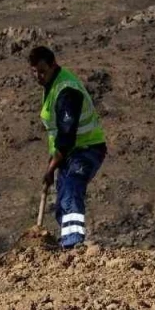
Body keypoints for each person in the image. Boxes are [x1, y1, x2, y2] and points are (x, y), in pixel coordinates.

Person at [29, 46, 107, 248]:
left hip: (86, 148)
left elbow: (67, 136)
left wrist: (51, 168)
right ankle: (66, 243)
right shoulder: (51, 85)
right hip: (67, 153)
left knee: (72, 187)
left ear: (53, 65)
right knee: (62, 200)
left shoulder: (66, 91)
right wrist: (52, 162)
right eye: (34, 72)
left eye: (42, 71)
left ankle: (73, 245)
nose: (38, 76)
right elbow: (56, 134)